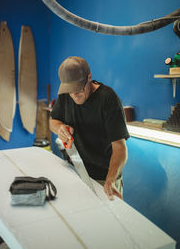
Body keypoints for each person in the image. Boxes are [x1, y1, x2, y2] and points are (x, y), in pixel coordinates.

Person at [50, 56, 129, 200]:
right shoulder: (65, 95)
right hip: (75, 170)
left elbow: (120, 148)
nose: (74, 94)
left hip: (104, 178)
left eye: (78, 89)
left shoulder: (108, 99)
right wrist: (60, 128)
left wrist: (110, 180)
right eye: (70, 90)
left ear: (89, 77)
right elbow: (53, 121)